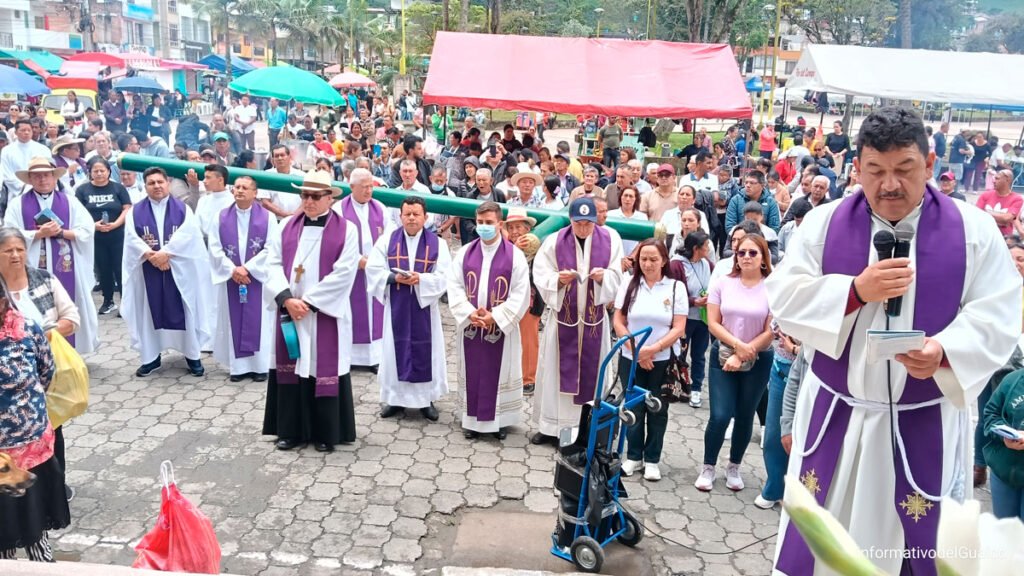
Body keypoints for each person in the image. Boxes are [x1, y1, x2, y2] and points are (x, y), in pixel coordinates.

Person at [768, 107, 1021, 575]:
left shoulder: (974, 231)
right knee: (820, 548)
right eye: (875, 170)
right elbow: (783, 296)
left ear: (929, 164)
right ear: (857, 168)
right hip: (837, 415)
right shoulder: (824, 224)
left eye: (904, 169)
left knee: (915, 551)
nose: (889, 184)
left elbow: (1000, 310)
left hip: (922, 416)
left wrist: (944, 351)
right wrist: (854, 291)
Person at [262, 169, 359, 451]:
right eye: (305, 195)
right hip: (290, 312)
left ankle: (326, 433)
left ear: (330, 198)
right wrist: (286, 299)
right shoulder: (286, 226)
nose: (309, 201)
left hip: (323, 314)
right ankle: (290, 431)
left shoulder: (347, 230)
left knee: (321, 367)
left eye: (316, 197)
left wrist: (309, 303)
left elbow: (345, 272)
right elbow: (271, 263)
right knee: (291, 368)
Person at [531, 197, 624, 445]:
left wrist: (605, 277)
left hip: (594, 322)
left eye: (588, 223)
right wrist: (557, 281)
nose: (583, 229)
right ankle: (551, 426)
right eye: (578, 223)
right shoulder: (554, 241)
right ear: (570, 220)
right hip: (563, 320)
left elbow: (618, 275)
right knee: (554, 371)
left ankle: (588, 429)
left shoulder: (611, 239)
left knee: (593, 374)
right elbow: (540, 273)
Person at [695, 234, 774, 493]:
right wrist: (737, 347)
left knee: (745, 414)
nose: (746, 257)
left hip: (758, 357)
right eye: (741, 252)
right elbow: (713, 322)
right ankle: (708, 466)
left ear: (763, 257)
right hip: (723, 354)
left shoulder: (773, 288)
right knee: (720, 415)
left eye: (753, 253)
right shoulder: (723, 283)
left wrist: (744, 353)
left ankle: (734, 466)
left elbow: (771, 330)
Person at [447, 201, 530, 440]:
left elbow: (521, 292)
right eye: (480, 222)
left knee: (500, 370)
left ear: (499, 223)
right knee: (472, 370)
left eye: (489, 223)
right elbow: (454, 285)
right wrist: (468, 312)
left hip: (500, 328)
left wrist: (497, 316)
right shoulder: (465, 252)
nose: (484, 227)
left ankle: (499, 421)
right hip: (471, 326)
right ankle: (471, 420)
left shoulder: (515, 256)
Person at [0, 279, 68, 561]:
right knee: (3, 529)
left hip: (32, 446)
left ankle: (43, 565)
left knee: (35, 522)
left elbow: (46, 371)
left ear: (4, 300)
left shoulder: (26, 328)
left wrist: (26, 410)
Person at [366, 196, 451, 422]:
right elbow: (373, 269)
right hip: (397, 306)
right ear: (400, 216)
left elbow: (445, 276)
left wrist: (421, 279)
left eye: (416, 214)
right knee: (393, 352)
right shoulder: (387, 240)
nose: (412, 218)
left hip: (425, 310)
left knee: (427, 352)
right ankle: (394, 399)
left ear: (425, 217)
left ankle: (426, 400)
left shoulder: (438, 244)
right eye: (407, 214)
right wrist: (394, 278)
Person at [122, 167, 212, 378]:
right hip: (148, 268)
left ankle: (192, 355)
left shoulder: (183, 209)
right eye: (151, 183)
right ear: (145, 186)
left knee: (186, 309)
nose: (157, 186)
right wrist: (151, 256)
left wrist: (166, 254)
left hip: (179, 271)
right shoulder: (135, 212)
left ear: (168, 183)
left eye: (160, 182)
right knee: (148, 312)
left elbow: (189, 235)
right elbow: (131, 239)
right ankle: (150, 357)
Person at [3, 157, 97, 354]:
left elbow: (87, 230)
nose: (43, 179)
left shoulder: (70, 202)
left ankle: (71, 353)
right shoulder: (17, 204)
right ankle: (35, 352)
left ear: (55, 178)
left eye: (46, 175)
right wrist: (38, 234)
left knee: (69, 306)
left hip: (68, 265)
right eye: (37, 176)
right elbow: (9, 234)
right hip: (32, 268)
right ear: (30, 179)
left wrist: (62, 232)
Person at [613, 239, 687, 481]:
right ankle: (634, 456)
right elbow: (619, 320)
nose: (647, 264)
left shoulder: (675, 287)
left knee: (658, 407)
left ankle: (652, 458)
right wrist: (636, 351)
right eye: (643, 259)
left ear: (664, 260)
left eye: (653, 259)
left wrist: (653, 349)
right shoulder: (629, 283)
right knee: (633, 406)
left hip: (663, 358)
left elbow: (679, 327)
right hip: (630, 357)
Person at [207, 175, 277, 382]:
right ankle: (238, 368)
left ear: (255, 193)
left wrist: (247, 268)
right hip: (232, 278)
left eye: (245, 188)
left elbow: (272, 247)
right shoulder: (220, 217)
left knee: (260, 321)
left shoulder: (268, 217)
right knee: (233, 321)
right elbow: (214, 247)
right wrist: (232, 270)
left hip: (257, 279)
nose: (239, 190)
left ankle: (260, 366)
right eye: (237, 187)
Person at [334, 168, 391, 370]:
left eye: (370, 186)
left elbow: (389, 238)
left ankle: (375, 357)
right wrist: (357, 260)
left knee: (376, 312)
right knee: (353, 311)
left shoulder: (380, 208)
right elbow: (336, 241)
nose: (368, 191)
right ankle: (352, 358)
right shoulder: (339, 210)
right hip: (351, 271)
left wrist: (376, 261)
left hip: (375, 270)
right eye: (364, 187)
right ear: (352, 187)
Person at [75, 157, 131, 315]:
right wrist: (93, 226)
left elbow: (127, 208)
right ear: (90, 172)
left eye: (102, 170)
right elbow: (77, 213)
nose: (99, 173)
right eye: (95, 171)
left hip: (118, 235)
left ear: (108, 171)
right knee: (103, 269)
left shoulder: (118, 188)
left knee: (120, 269)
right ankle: (108, 301)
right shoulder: (82, 190)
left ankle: (125, 302)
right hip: (95, 237)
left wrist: (116, 224)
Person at [672, 230, 713, 409]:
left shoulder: (708, 264)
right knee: (679, 353)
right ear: (696, 248)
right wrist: (693, 301)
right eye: (706, 245)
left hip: (702, 319)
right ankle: (677, 384)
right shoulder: (676, 265)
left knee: (699, 355)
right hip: (684, 319)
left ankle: (696, 388)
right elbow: (673, 293)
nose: (709, 248)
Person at [505, 207, 543, 396]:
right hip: (506, 300)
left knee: (528, 339)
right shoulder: (503, 248)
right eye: (511, 228)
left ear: (527, 229)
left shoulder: (537, 247)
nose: (514, 232)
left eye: (518, 227)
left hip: (530, 299)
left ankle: (529, 379)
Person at [983, 367, 1024, 521]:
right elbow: (990, 414)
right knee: (1004, 528)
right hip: (1004, 472)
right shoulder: (1011, 380)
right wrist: (1004, 436)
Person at [1, 120, 52, 210]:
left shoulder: (43, 149)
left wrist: (37, 186)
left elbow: (49, 171)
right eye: (23, 130)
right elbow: (6, 174)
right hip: (16, 193)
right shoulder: (7, 151)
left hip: (41, 190)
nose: (26, 132)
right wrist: (25, 187)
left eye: (29, 130)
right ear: (16, 132)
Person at [258, 144, 304, 219]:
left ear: (289, 157)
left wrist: (295, 215)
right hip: (275, 220)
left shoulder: (301, 175)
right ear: (272, 160)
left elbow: (307, 198)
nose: (280, 158)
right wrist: (284, 214)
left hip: (298, 219)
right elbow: (265, 202)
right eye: (276, 156)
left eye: (282, 155)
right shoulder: (266, 176)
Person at [193, 164, 236, 241]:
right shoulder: (203, 200)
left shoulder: (233, 202)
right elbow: (196, 226)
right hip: (203, 242)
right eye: (204, 177)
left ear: (220, 180)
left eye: (208, 178)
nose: (204, 181)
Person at [976, 169, 1020, 237]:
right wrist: (1001, 220)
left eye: (997, 178)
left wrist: (985, 213)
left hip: (1003, 237)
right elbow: (976, 215)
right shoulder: (985, 195)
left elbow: (1007, 218)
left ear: (1007, 180)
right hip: (984, 234)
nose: (993, 181)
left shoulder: (1017, 199)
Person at [607, 186, 647, 258]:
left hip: (634, 259)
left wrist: (631, 257)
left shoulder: (642, 217)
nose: (628, 199)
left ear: (635, 199)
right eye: (625, 195)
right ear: (621, 197)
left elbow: (643, 241)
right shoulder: (610, 215)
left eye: (631, 196)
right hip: (613, 256)